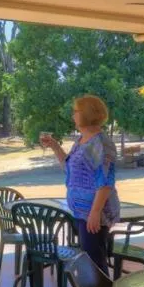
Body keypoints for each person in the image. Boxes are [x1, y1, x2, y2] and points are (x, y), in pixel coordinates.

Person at [41, 94, 120, 277]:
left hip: (94, 213)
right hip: (82, 212)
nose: (73, 115)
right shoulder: (81, 141)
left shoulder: (100, 143)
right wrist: (55, 146)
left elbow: (105, 181)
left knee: (95, 263)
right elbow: (69, 168)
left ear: (87, 114)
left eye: (75, 111)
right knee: (89, 261)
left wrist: (95, 212)